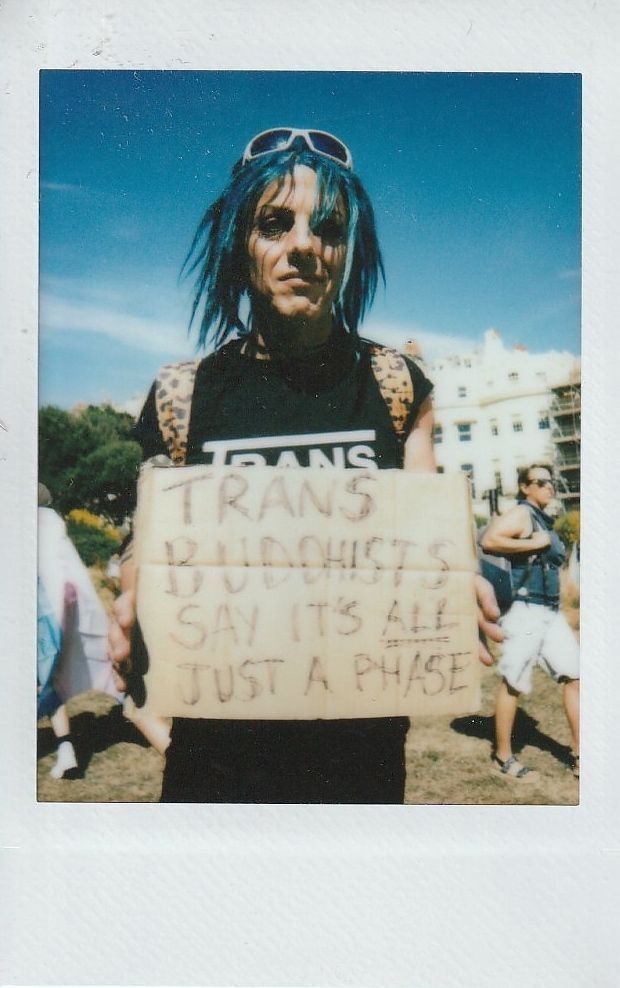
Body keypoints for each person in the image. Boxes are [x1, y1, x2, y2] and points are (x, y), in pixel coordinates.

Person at [108, 127, 501, 803]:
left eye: (328, 228)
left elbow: (428, 535)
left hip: (360, 753)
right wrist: (132, 592)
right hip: (216, 754)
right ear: (240, 243)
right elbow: (151, 541)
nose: (304, 247)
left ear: (348, 251)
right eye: (274, 223)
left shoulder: (396, 383)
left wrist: (460, 577)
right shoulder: (182, 392)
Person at [480, 463, 580, 780]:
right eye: (541, 482)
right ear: (525, 487)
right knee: (515, 682)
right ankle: (503, 757)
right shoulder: (523, 513)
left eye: (551, 482)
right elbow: (490, 539)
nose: (548, 487)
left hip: (550, 612)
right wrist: (531, 544)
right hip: (524, 609)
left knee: (576, 677)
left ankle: (582, 753)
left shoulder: (543, 519)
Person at [37, 483, 122, 778]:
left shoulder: (30, 525)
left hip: (36, 614)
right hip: (54, 615)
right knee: (49, 681)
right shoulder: (53, 526)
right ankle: (66, 750)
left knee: (43, 681)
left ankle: (65, 750)